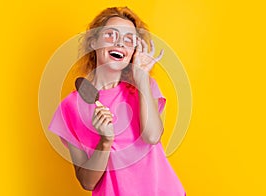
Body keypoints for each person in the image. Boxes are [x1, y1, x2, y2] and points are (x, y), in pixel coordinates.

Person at [48, 7, 186, 196]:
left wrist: (142, 79)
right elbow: (87, 182)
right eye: (111, 35)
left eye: (129, 40)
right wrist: (105, 141)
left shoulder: (143, 87)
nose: (120, 42)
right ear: (93, 42)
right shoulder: (69, 107)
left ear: (133, 52)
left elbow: (152, 137)